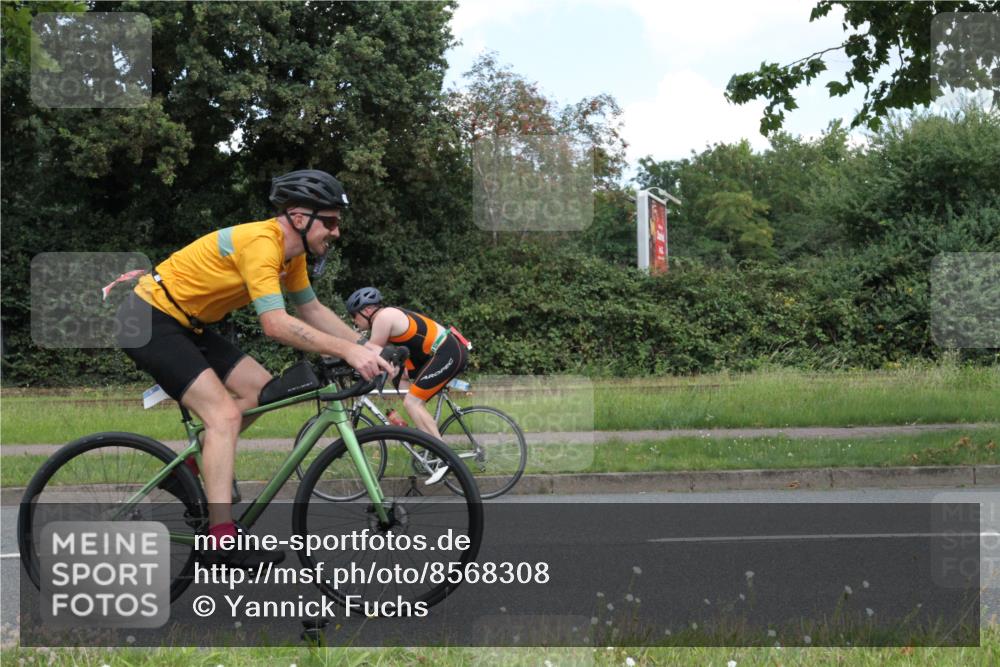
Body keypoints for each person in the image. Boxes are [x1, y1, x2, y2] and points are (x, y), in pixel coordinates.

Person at [115, 170, 393, 567]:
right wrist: (348, 352)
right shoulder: (263, 243)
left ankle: (193, 470)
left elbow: (310, 309)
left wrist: (367, 348)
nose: (336, 232)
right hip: (147, 319)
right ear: (299, 217)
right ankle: (221, 539)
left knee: (263, 391)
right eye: (329, 222)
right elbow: (275, 323)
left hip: (186, 322)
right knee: (224, 415)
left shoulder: (290, 254)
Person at [346, 287, 468, 441]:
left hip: (447, 352)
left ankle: (442, 456)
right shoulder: (386, 316)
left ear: (368, 310)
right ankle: (423, 430)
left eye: (354, 315)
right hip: (433, 354)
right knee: (396, 374)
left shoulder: (383, 317)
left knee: (412, 403)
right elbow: (382, 359)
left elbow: (372, 355)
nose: (353, 320)